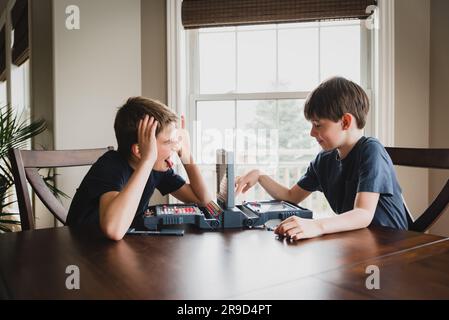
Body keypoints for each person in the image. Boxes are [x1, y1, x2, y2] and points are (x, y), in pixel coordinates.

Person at [235, 77, 408, 241]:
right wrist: (260, 175)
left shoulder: (371, 150)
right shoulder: (324, 160)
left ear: (345, 122)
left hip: (390, 244)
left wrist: (317, 226)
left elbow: (363, 213)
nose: (312, 133)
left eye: (318, 125)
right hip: (357, 242)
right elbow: (291, 197)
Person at [67, 97, 211, 240]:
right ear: (139, 151)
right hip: (83, 249)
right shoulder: (110, 165)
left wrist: (186, 156)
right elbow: (113, 230)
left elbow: (203, 200)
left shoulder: (157, 168)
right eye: (168, 142)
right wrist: (147, 160)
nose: (175, 147)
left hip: (121, 248)